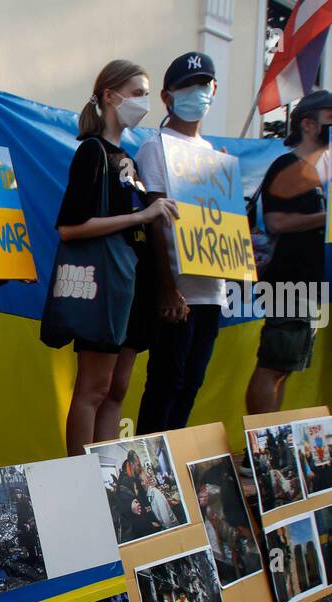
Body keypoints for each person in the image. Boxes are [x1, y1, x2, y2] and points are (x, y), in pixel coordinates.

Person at [53, 60, 178, 456]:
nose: (144, 101)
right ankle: (80, 476)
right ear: (110, 95)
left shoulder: (130, 157)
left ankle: (107, 478)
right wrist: (142, 215)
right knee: (92, 388)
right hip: (104, 287)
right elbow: (70, 227)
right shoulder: (91, 152)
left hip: (133, 287)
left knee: (116, 389)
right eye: (138, 92)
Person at [244, 90, 332, 415]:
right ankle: (259, 444)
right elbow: (275, 221)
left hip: (308, 280)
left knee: (284, 367)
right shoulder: (288, 166)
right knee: (273, 363)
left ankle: (269, 440)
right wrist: (330, 215)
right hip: (287, 278)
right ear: (308, 123)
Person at [135, 52, 228, 433]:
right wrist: (167, 288)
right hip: (178, 292)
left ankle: (174, 468)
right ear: (167, 97)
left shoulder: (216, 157)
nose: (196, 94)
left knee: (191, 383)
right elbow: (156, 220)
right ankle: (152, 467)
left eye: (203, 86)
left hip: (212, 290)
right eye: (186, 87)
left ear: (214, 90)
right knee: (165, 383)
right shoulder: (156, 147)